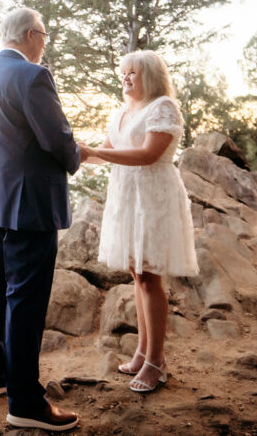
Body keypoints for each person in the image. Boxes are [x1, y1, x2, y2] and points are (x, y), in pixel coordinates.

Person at [0, 7, 85, 431]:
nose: (45, 43)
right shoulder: (33, 76)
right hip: (27, 206)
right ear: (32, 35)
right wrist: (77, 154)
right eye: (45, 35)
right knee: (25, 301)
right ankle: (24, 401)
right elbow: (56, 137)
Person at [82, 50, 199, 394]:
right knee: (137, 274)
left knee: (150, 278)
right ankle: (142, 351)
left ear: (150, 75)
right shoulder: (121, 112)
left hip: (152, 197)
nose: (126, 78)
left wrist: (96, 152)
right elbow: (97, 154)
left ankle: (156, 362)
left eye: (133, 73)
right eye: (123, 73)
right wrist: (65, 149)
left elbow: (149, 154)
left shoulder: (163, 106)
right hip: (126, 196)